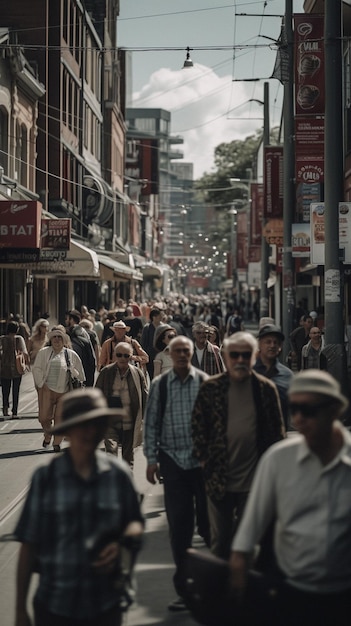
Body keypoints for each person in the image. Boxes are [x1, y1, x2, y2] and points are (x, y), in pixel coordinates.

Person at [229, 369, 351, 626]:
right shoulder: (278, 460)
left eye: (308, 410)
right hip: (290, 594)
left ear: (333, 410)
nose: (298, 418)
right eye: (294, 409)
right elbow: (247, 536)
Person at [14, 387, 144, 626]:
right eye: (83, 425)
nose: (90, 431)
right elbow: (28, 544)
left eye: (96, 424)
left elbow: (134, 524)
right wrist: (20, 610)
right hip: (55, 605)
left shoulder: (118, 475)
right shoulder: (46, 477)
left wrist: (122, 545)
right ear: (68, 430)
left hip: (105, 604)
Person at [192, 331, 285, 560]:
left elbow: (277, 434)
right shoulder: (210, 388)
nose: (240, 360)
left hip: (254, 482)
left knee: (249, 544)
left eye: (246, 355)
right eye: (235, 355)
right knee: (221, 543)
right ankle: (223, 593)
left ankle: (245, 592)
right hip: (219, 479)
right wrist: (205, 461)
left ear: (254, 357)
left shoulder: (265, 389)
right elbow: (197, 428)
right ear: (225, 356)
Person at [144, 335, 210, 611]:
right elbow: (152, 422)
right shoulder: (160, 386)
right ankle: (185, 589)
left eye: (186, 351)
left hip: (203, 464)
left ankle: (213, 584)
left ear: (192, 353)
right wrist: (151, 459)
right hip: (172, 462)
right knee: (180, 528)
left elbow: (215, 422)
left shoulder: (205, 382)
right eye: (178, 351)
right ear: (169, 354)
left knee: (210, 527)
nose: (182, 355)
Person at [95, 341, 148, 467]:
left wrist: (147, 417)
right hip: (110, 420)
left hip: (130, 420)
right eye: (119, 355)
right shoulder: (106, 372)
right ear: (114, 355)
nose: (122, 358)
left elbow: (145, 395)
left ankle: (126, 482)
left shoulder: (137, 373)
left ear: (131, 356)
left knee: (128, 457)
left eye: (126, 355)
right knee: (111, 454)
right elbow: (96, 393)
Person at [32, 327, 85, 451]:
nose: (56, 340)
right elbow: (37, 368)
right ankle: (48, 434)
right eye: (54, 337)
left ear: (64, 340)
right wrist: (41, 384)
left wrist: (72, 370)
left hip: (64, 392)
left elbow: (81, 375)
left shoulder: (71, 354)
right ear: (51, 339)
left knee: (60, 419)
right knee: (44, 418)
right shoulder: (44, 352)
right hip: (47, 390)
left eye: (59, 337)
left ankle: (56, 443)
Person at [253, 324, 293, 430]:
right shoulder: (249, 372)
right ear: (259, 344)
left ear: (280, 346)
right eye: (268, 342)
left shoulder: (287, 376)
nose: (272, 345)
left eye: (276, 342)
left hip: (278, 437)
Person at [0, 321, 29, 420]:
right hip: (17, 368)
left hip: (4, 368)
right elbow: (24, 352)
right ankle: (14, 412)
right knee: (16, 390)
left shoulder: (2, 339)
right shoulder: (19, 339)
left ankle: (5, 409)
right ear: (17, 330)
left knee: (5, 390)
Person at [65, 309, 96, 386]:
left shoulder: (67, 335)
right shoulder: (88, 334)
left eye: (67, 319)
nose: (65, 321)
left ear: (71, 320)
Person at [140, 308, 164, 379]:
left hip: (161, 355)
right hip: (150, 356)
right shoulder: (147, 328)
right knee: (151, 375)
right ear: (154, 317)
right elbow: (143, 343)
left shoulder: (163, 327)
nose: (161, 318)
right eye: (160, 316)